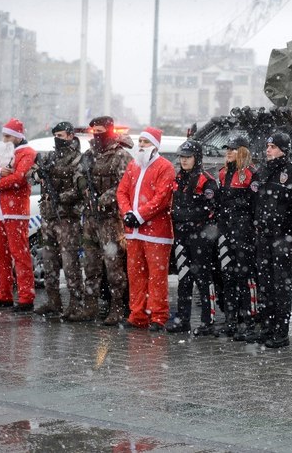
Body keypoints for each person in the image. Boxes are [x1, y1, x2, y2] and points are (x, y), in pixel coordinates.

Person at [117, 127, 175, 331]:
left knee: (156, 277)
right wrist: (127, 214)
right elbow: (121, 191)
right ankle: (138, 314)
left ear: (155, 145)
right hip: (134, 232)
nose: (141, 145)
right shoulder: (133, 166)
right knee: (135, 274)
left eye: (145, 141)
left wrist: (139, 215)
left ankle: (158, 316)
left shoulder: (165, 167)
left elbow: (161, 198)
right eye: (140, 141)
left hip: (157, 233)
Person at [76, 116, 132, 324]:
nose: (96, 135)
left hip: (110, 220)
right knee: (90, 265)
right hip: (90, 219)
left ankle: (117, 307)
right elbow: (78, 175)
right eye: (94, 131)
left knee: (114, 267)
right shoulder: (88, 155)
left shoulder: (120, 155)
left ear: (109, 131)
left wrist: (105, 199)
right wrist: (83, 187)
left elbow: (124, 184)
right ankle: (90, 306)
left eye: (100, 130)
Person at [32, 122, 87, 317]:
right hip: (48, 218)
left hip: (67, 218)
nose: (58, 139)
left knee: (70, 262)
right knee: (49, 261)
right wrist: (37, 174)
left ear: (71, 136)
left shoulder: (78, 159)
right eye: (56, 135)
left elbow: (81, 188)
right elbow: (31, 175)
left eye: (62, 135)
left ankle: (75, 303)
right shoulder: (49, 157)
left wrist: (61, 197)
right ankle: (54, 301)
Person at [251, 132, 292, 347]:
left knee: (282, 284)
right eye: (267, 146)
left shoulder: (290, 174)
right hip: (264, 235)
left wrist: (286, 228)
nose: (268, 149)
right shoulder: (262, 171)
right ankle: (268, 326)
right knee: (265, 283)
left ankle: (281, 331)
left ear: (283, 149)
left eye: (272, 146)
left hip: (282, 237)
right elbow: (255, 202)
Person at [166, 140, 219, 335]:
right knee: (184, 278)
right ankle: (183, 319)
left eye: (188, 157)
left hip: (199, 237)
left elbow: (211, 209)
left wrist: (188, 218)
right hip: (181, 236)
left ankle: (208, 322)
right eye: (182, 157)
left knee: (203, 279)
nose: (184, 160)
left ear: (197, 158)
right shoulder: (178, 178)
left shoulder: (206, 180)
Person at [216, 137, 258, 341]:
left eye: (233, 149)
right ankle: (231, 320)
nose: (229, 152)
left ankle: (249, 321)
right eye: (227, 149)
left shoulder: (251, 175)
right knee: (228, 276)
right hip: (226, 231)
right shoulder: (223, 173)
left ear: (242, 151)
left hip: (244, 231)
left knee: (245, 276)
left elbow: (255, 205)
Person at [0, 118, 37, 312]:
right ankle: (4, 294)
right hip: (0, 209)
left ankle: (26, 296)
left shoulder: (28, 153)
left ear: (18, 136)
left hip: (15, 211)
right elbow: (1, 172)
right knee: (0, 254)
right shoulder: (4, 153)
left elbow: (19, 178)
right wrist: (0, 173)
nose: (5, 139)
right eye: (3, 135)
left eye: (8, 136)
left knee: (19, 254)